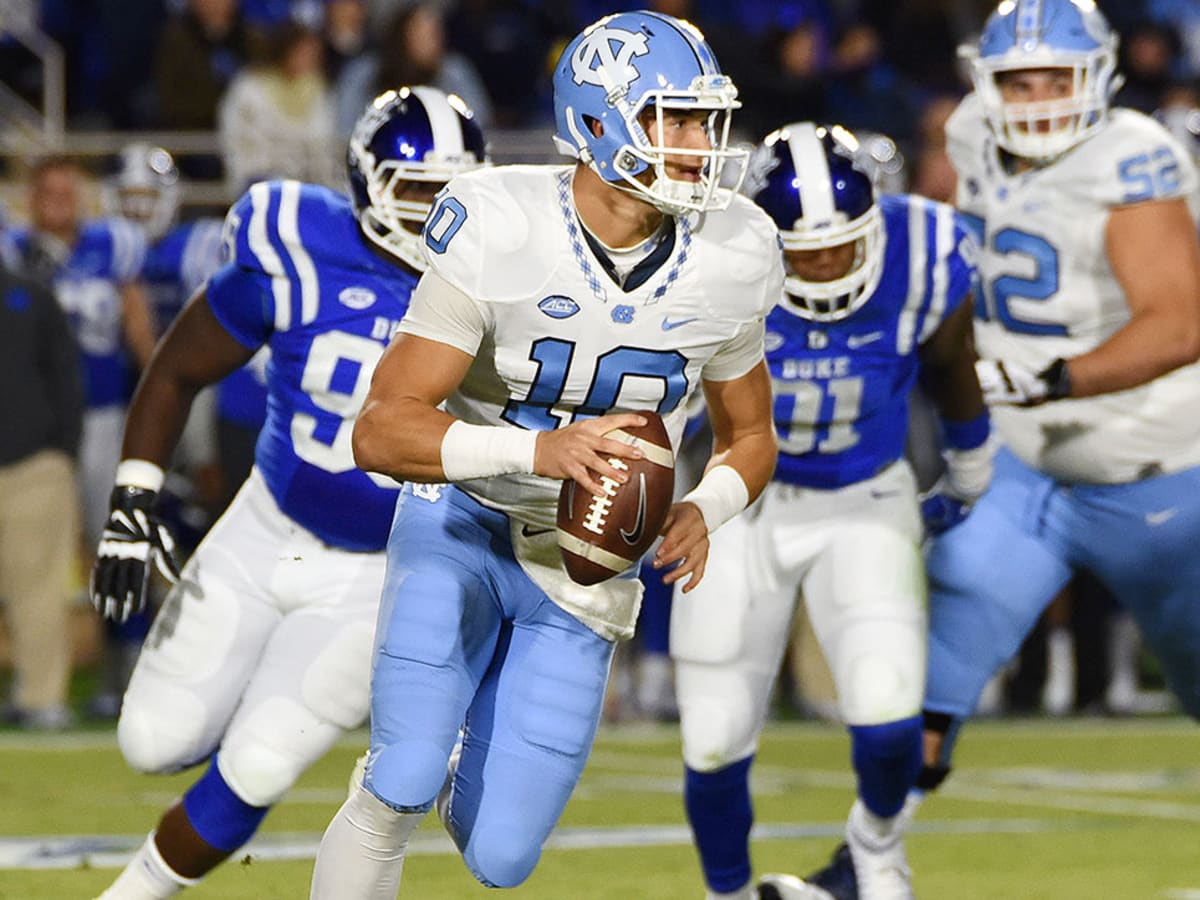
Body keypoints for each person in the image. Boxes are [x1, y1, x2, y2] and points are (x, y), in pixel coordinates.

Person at [308, 10, 784, 897]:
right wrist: (537, 451)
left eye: (704, 121)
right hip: (461, 523)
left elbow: (751, 434)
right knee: (402, 776)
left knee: (501, 859)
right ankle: (407, 766)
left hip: (588, 566)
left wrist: (705, 506)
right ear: (597, 122)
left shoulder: (736, 251)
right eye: (673, 119)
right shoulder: (502, 222)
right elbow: (381, 427)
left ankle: (453, 757)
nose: (698, 144)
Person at [802, 1, 1200, 896]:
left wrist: (1051, 376)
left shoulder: (1131, 154)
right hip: (1022, 467)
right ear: (987, 81)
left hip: (1157, 474)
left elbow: (1179, 323)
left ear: (1097, 77)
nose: (1040, 98)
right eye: (1021, 80)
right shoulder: (973, 131)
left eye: (1059, 78)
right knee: (932, 671)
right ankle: (865, 863)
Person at [87, 86, 488, 900]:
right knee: (151, 741)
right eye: (418, 190)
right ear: (369, 183)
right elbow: (177, 368)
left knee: (262, 761)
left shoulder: (500, 284)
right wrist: (132, 503)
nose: (434, 213)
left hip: (380, 573)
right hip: (264, 528)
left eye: (454, 191)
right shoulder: (298, 244)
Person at [672, 122, 989, 900]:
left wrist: (970, 463)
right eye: (803, 250)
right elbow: (666, 398)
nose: (822, 263)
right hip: (738, 503)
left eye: (840, 245)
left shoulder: (925, 252)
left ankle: (876, 846)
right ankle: (726, 892)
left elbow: (951, 361)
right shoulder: (707, 260)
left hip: (864, 497)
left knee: (889, 717)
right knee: (713, 738)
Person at [0, 232, 84, 731]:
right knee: (38, 589)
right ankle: (38, 697)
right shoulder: (32, 294)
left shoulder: (31, 297)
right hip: (36, 458)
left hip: (34, 466)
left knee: (40, 588)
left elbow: (66, 379)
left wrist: (60, 453)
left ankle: (41, 697)